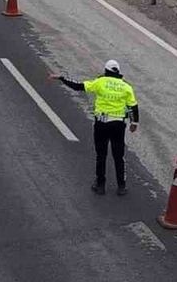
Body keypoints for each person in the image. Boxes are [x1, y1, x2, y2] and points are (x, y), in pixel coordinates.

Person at [50, 60, 139, 195]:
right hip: (118, 125)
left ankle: (100, 185)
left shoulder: (100, 82)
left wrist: (62, 78)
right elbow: (133, 107)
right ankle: (121, 186)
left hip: (101, 124)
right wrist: (134, 123)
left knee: (101, 155)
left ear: (106, 70)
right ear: (118, 72)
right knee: (118, 156)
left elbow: (78, 86)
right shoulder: (126, 87)